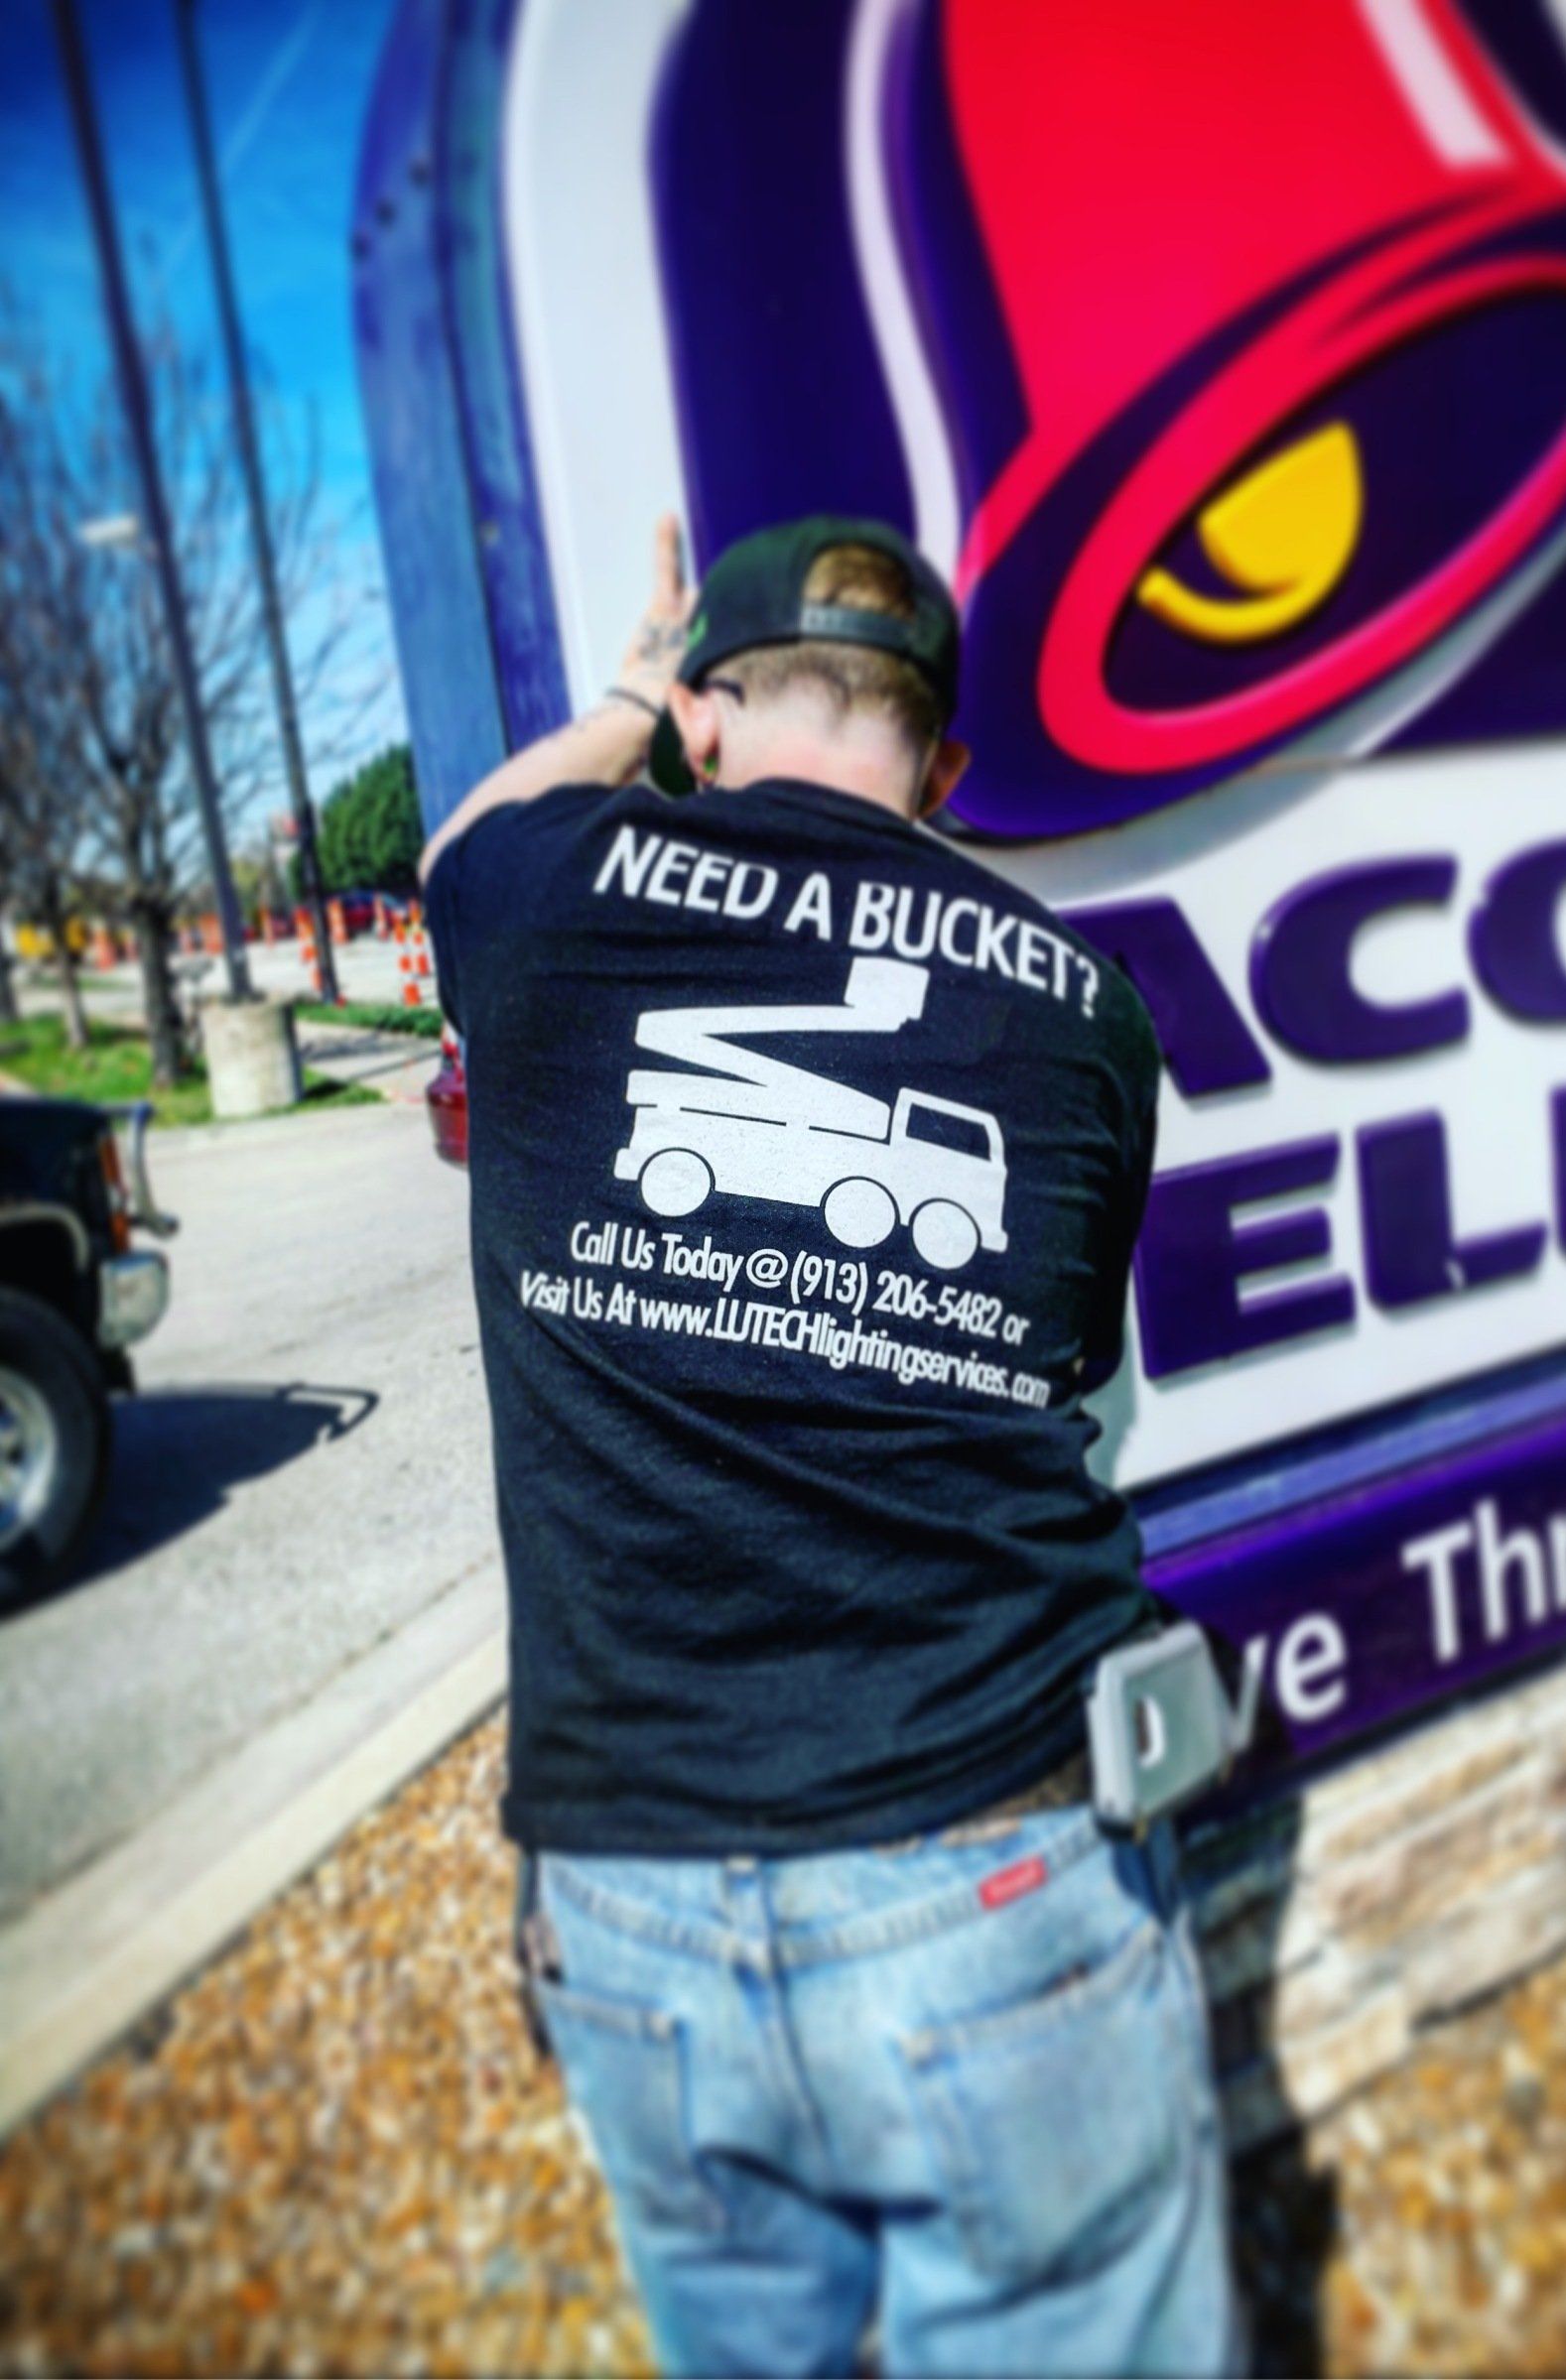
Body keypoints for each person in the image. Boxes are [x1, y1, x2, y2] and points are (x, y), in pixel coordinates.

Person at [422, 513, 1235, 2377]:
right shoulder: (1088, 1019)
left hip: (631, 1900)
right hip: (996, 1865)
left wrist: (630, 689)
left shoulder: (542, 899)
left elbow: (459, 845)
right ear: (945, 764)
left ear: (712, 723)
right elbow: (1058, 1365)